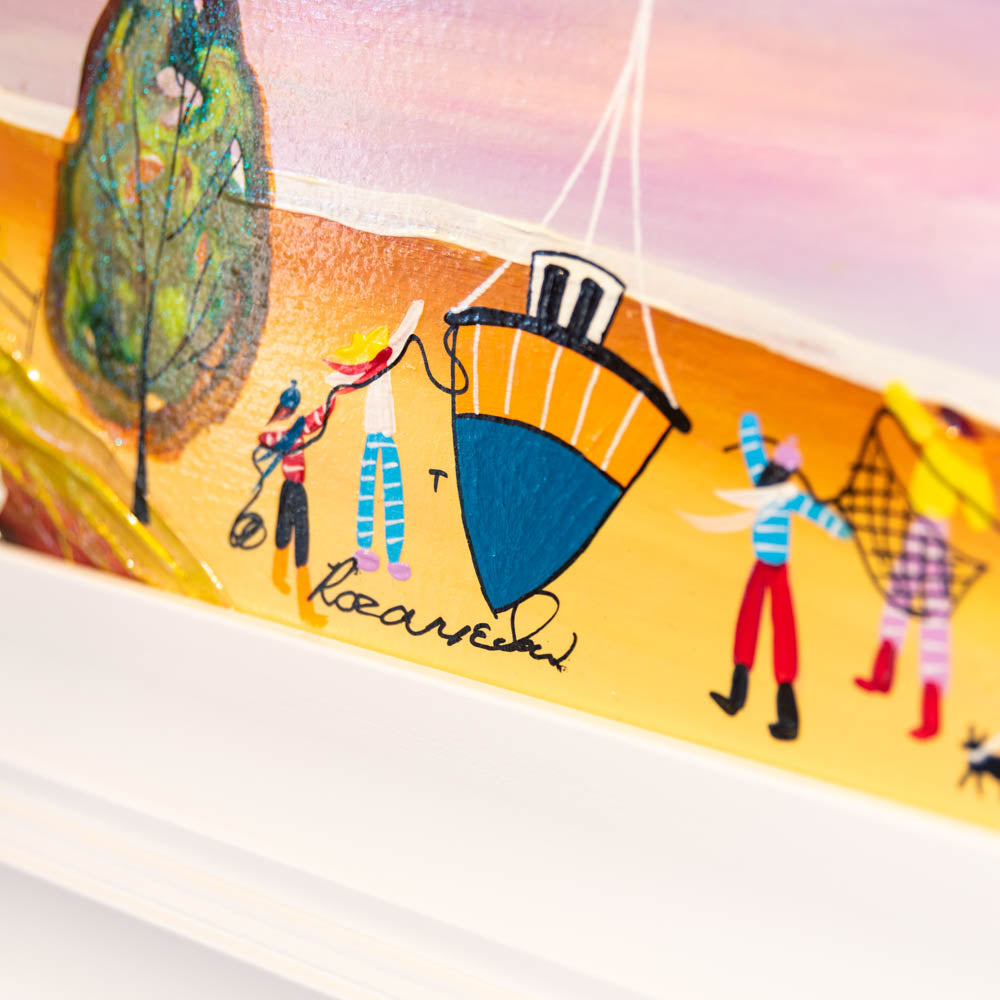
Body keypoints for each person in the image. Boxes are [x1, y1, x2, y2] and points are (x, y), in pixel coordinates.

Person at [854, 382, 995, 739]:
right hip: (935, 530)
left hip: (925, 527)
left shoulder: (938, 443)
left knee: (906, 600)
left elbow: (907, 412)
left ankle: (887, 677)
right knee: (931, 612)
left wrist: (895, 391)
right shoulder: (971, 463)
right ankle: (923, 705)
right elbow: (979, 519)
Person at [708, 412, 852, 740]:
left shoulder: (788, 496)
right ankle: (737, 696)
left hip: (776, 567)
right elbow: (752, 452)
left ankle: (787, 717)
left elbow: (815, 512)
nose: (772, 473)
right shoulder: (761, 480)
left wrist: (838, 528)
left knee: (782, 626)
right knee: (749, 619)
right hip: (762, 564)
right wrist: (748, 425)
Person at [325, 301, 423, 582]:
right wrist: (333, 380)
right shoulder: (368, 368)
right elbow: (340, 376)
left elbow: (403, 335)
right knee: (369, 490)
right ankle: (365, 549)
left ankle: (394, 557)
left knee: (391, 492)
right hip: (374, 433)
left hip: (385, 434)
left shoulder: (387, 358)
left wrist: (415, 310)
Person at [258, 379, 334, 628]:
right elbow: (265, 437)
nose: (286, 412)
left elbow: (316, 419)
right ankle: (279, 577)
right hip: (289, 487)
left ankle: (305, 607)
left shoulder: (298, 426)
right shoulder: (281, 428)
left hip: (297, 488)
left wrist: (331, 400)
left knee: (301, 542)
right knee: (286, 536)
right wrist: (289, 432)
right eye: (284, 409)